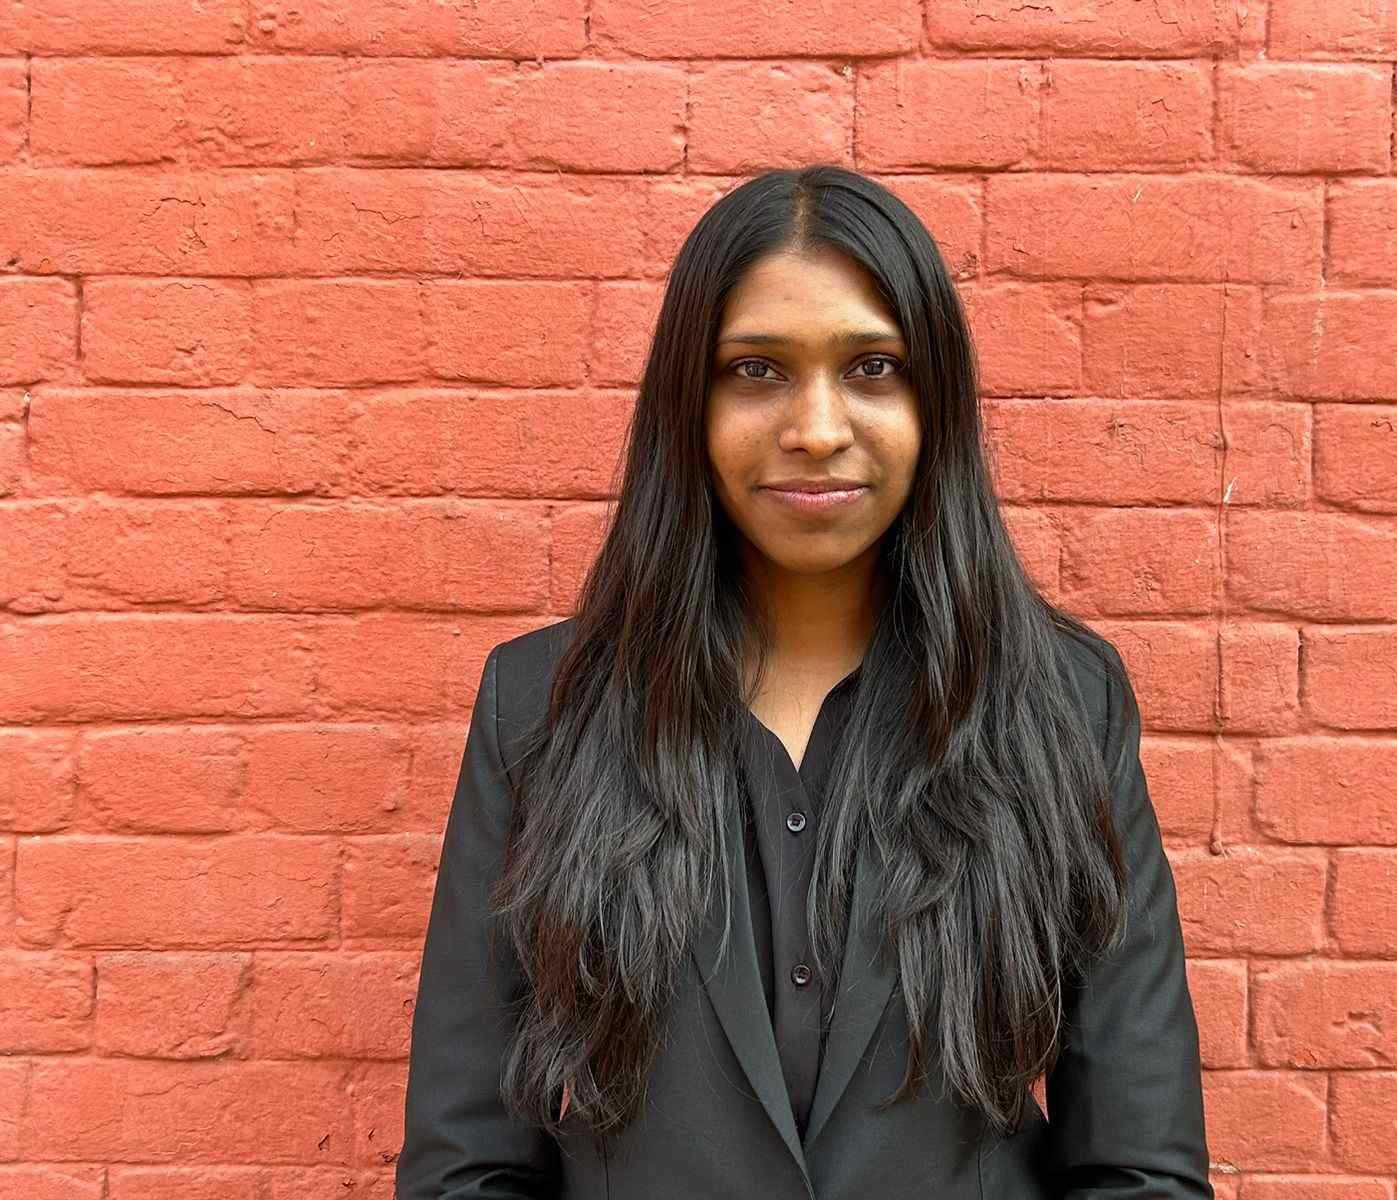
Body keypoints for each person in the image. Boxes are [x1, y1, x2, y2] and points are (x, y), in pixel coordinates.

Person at [395, 164, 1212, 1200]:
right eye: (756, 370)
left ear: (935, 400)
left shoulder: (1060, 706)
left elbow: (1138, 1165)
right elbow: (466, 1167)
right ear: (688, 403)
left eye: (873, 367)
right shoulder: (541, 708)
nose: (818, 428)